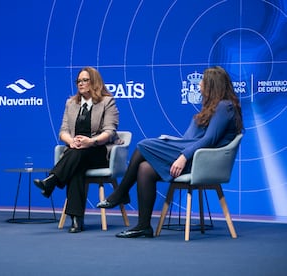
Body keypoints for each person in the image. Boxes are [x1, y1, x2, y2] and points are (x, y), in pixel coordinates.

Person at [97, 66, 244, 238]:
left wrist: (183, 156)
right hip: (192, 157)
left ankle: (121, 193)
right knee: (144, 169)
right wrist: (173, 142)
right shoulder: (210, 109)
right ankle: (143, 225)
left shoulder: (225, 107)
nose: (199, 85)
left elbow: (209, 140)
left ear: (212, 84)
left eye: (202, 81)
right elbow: (187, 139)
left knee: (144, 145)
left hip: (201, 163)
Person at [33, 66, 122, 233]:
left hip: (98, 151)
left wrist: (91, 141)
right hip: (77, 152)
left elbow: (110, 132)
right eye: (78, 81)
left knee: (78, 154)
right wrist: (71, 141)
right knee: (76, 163)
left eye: (85, 80)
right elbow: (63, 131)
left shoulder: (107, 102)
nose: (80, 84)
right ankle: (76, 220)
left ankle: (52, 181)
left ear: (94, 82)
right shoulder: (71, 103)